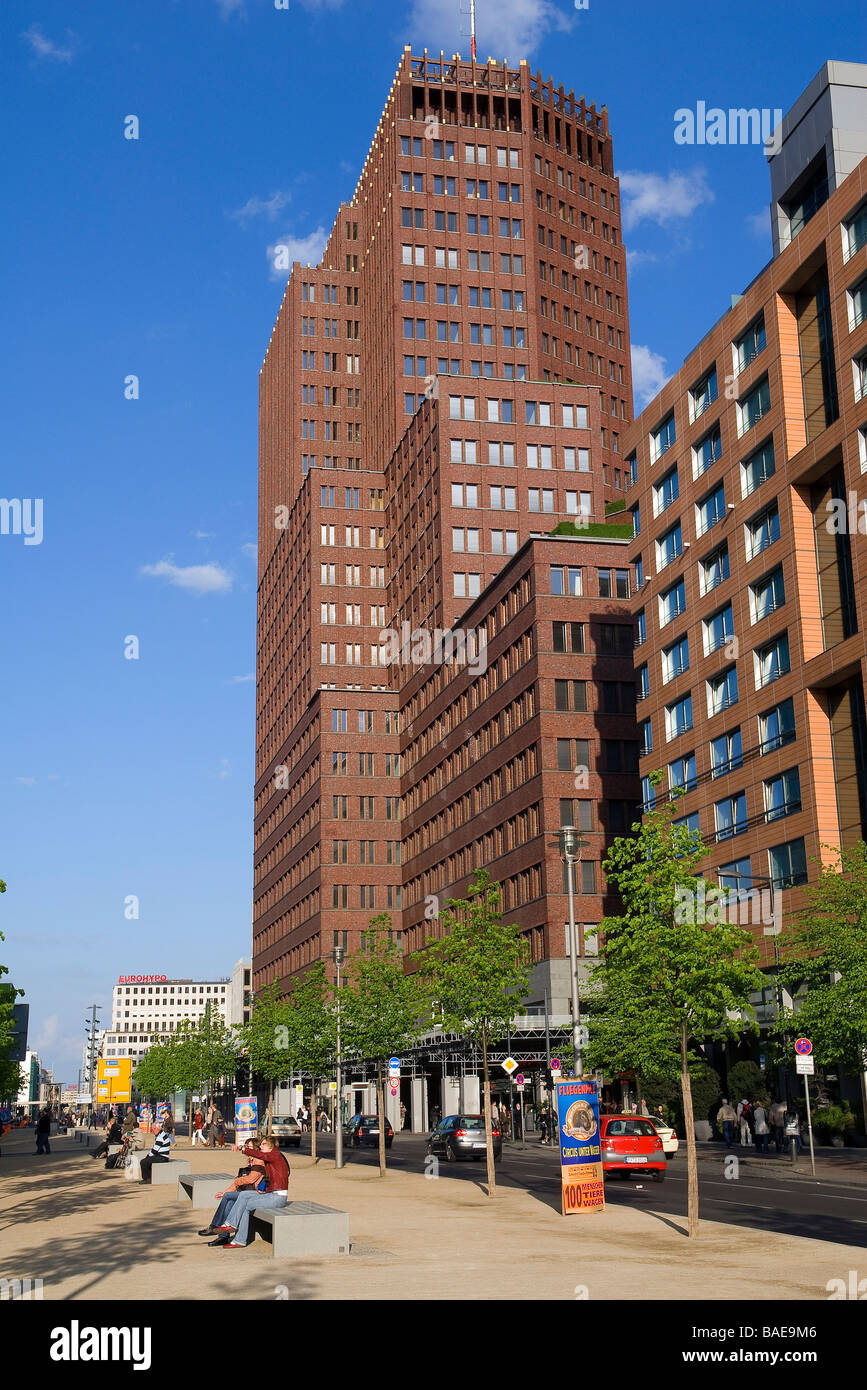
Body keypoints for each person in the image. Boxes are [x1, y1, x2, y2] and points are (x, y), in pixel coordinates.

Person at [201, 1136, 290, 1248]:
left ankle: (238, 1238)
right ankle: (230, 1226)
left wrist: (242, 1149)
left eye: (263, 1144)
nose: (260, 1146)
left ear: (271, 1146)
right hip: (270, 1194)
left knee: (246, 1205)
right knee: (243, 1195)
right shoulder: (270, 1157)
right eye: (260, 1144)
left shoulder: (274, 1155)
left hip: (277, 1198)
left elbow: (258, 1161)